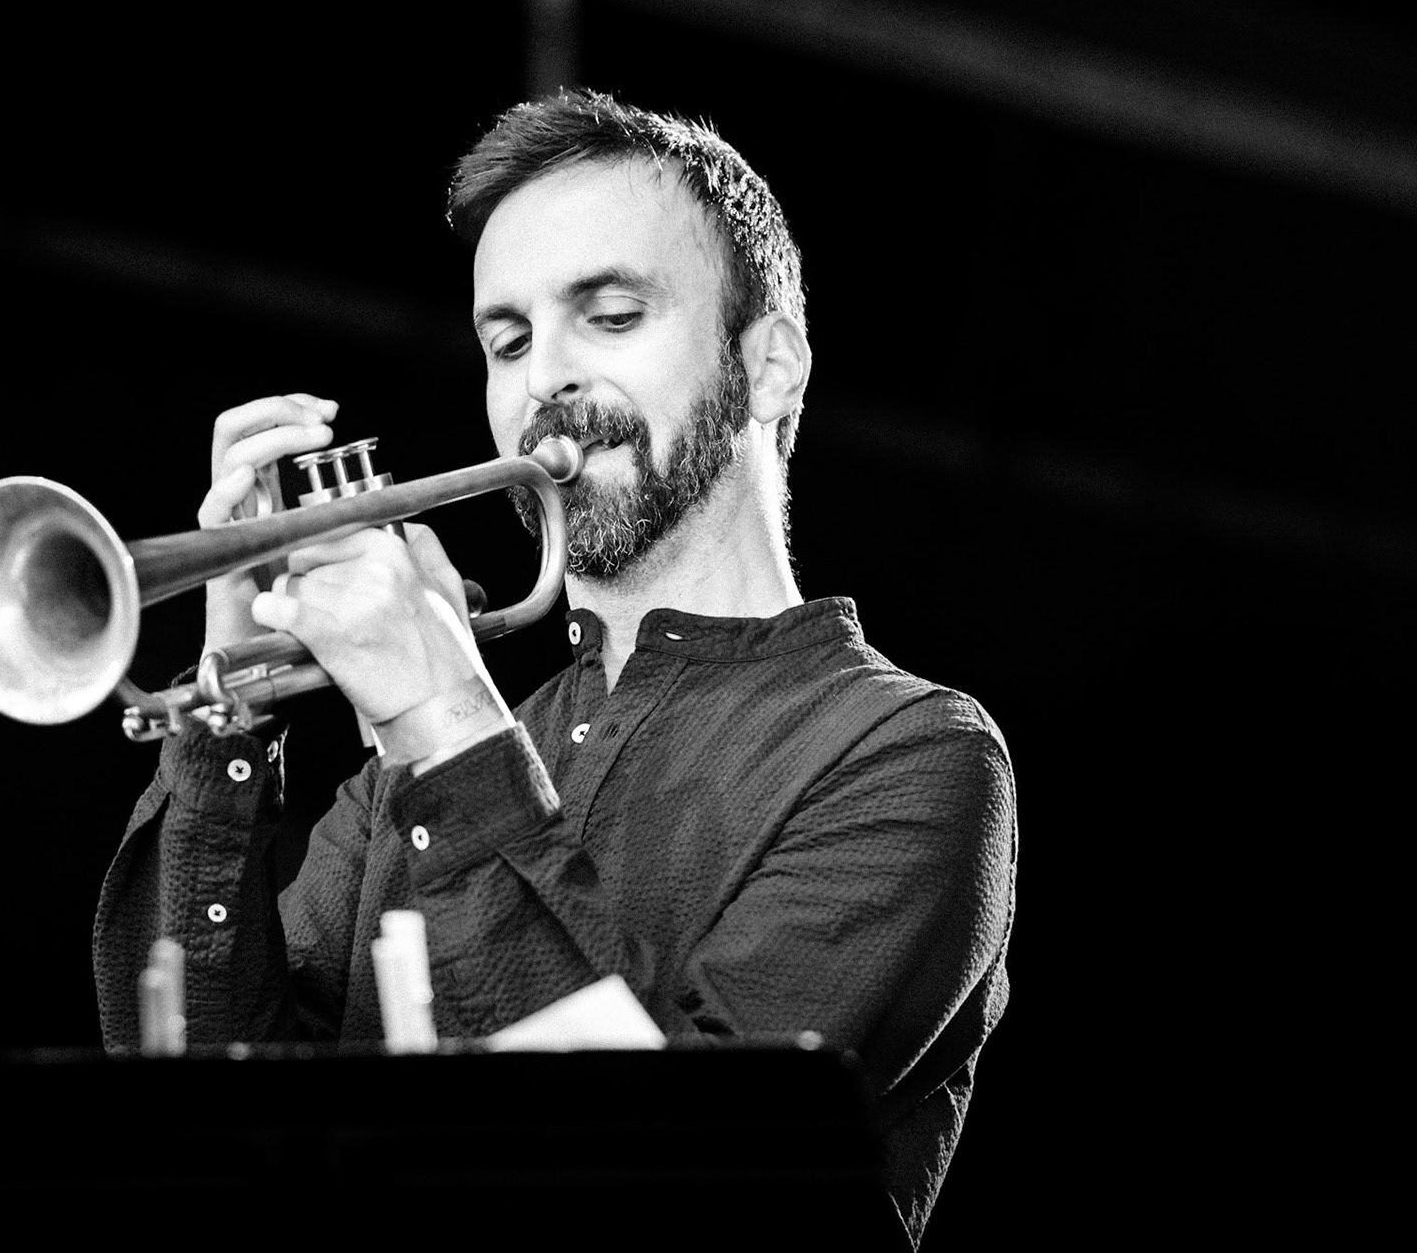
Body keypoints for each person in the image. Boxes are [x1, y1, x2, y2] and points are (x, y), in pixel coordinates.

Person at [93, 88, 1016, 1247]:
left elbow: (665, 1187)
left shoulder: (908, 753)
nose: (545, 383)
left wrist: (438, 716)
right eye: (511, 340)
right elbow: (181, 1108)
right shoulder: (410, 780)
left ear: (771, 365)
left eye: (613, 315)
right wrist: (226, 712)